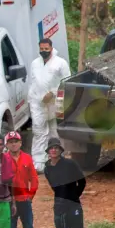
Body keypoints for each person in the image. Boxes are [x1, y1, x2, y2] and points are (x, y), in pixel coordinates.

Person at [44, 139, 86, 228]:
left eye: (56, 148)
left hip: (73, 207)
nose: (54, 150)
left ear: (61, 150)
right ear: (48, 151)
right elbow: (54, 187)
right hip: (58, 208)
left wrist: (74, 196)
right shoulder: (47, 167)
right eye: (51, 148)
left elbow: (82, 181)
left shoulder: (70, 164)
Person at [27, 37, 70, 171]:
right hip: (37, 102)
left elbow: (67, 81)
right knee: (39, 130)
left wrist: (53, 92)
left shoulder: (60, 63)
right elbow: (33, 82)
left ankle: (55, 159)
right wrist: (35, 97)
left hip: (54, 102)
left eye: (46, 49)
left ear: (51, 48)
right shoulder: (35, 63)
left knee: (53, 131)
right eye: (41, 49)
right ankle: (38, 163)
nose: (44, 51)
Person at [5, 131, 39, 228]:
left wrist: (31, 195)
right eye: (10, 142)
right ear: (7, 144)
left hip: (24, 199)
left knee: (29, 227)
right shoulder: (3, 159)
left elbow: (34, 178)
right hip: (9, 201)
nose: (13, 144)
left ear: (20, 143)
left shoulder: (27, 158)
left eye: (16, 142)